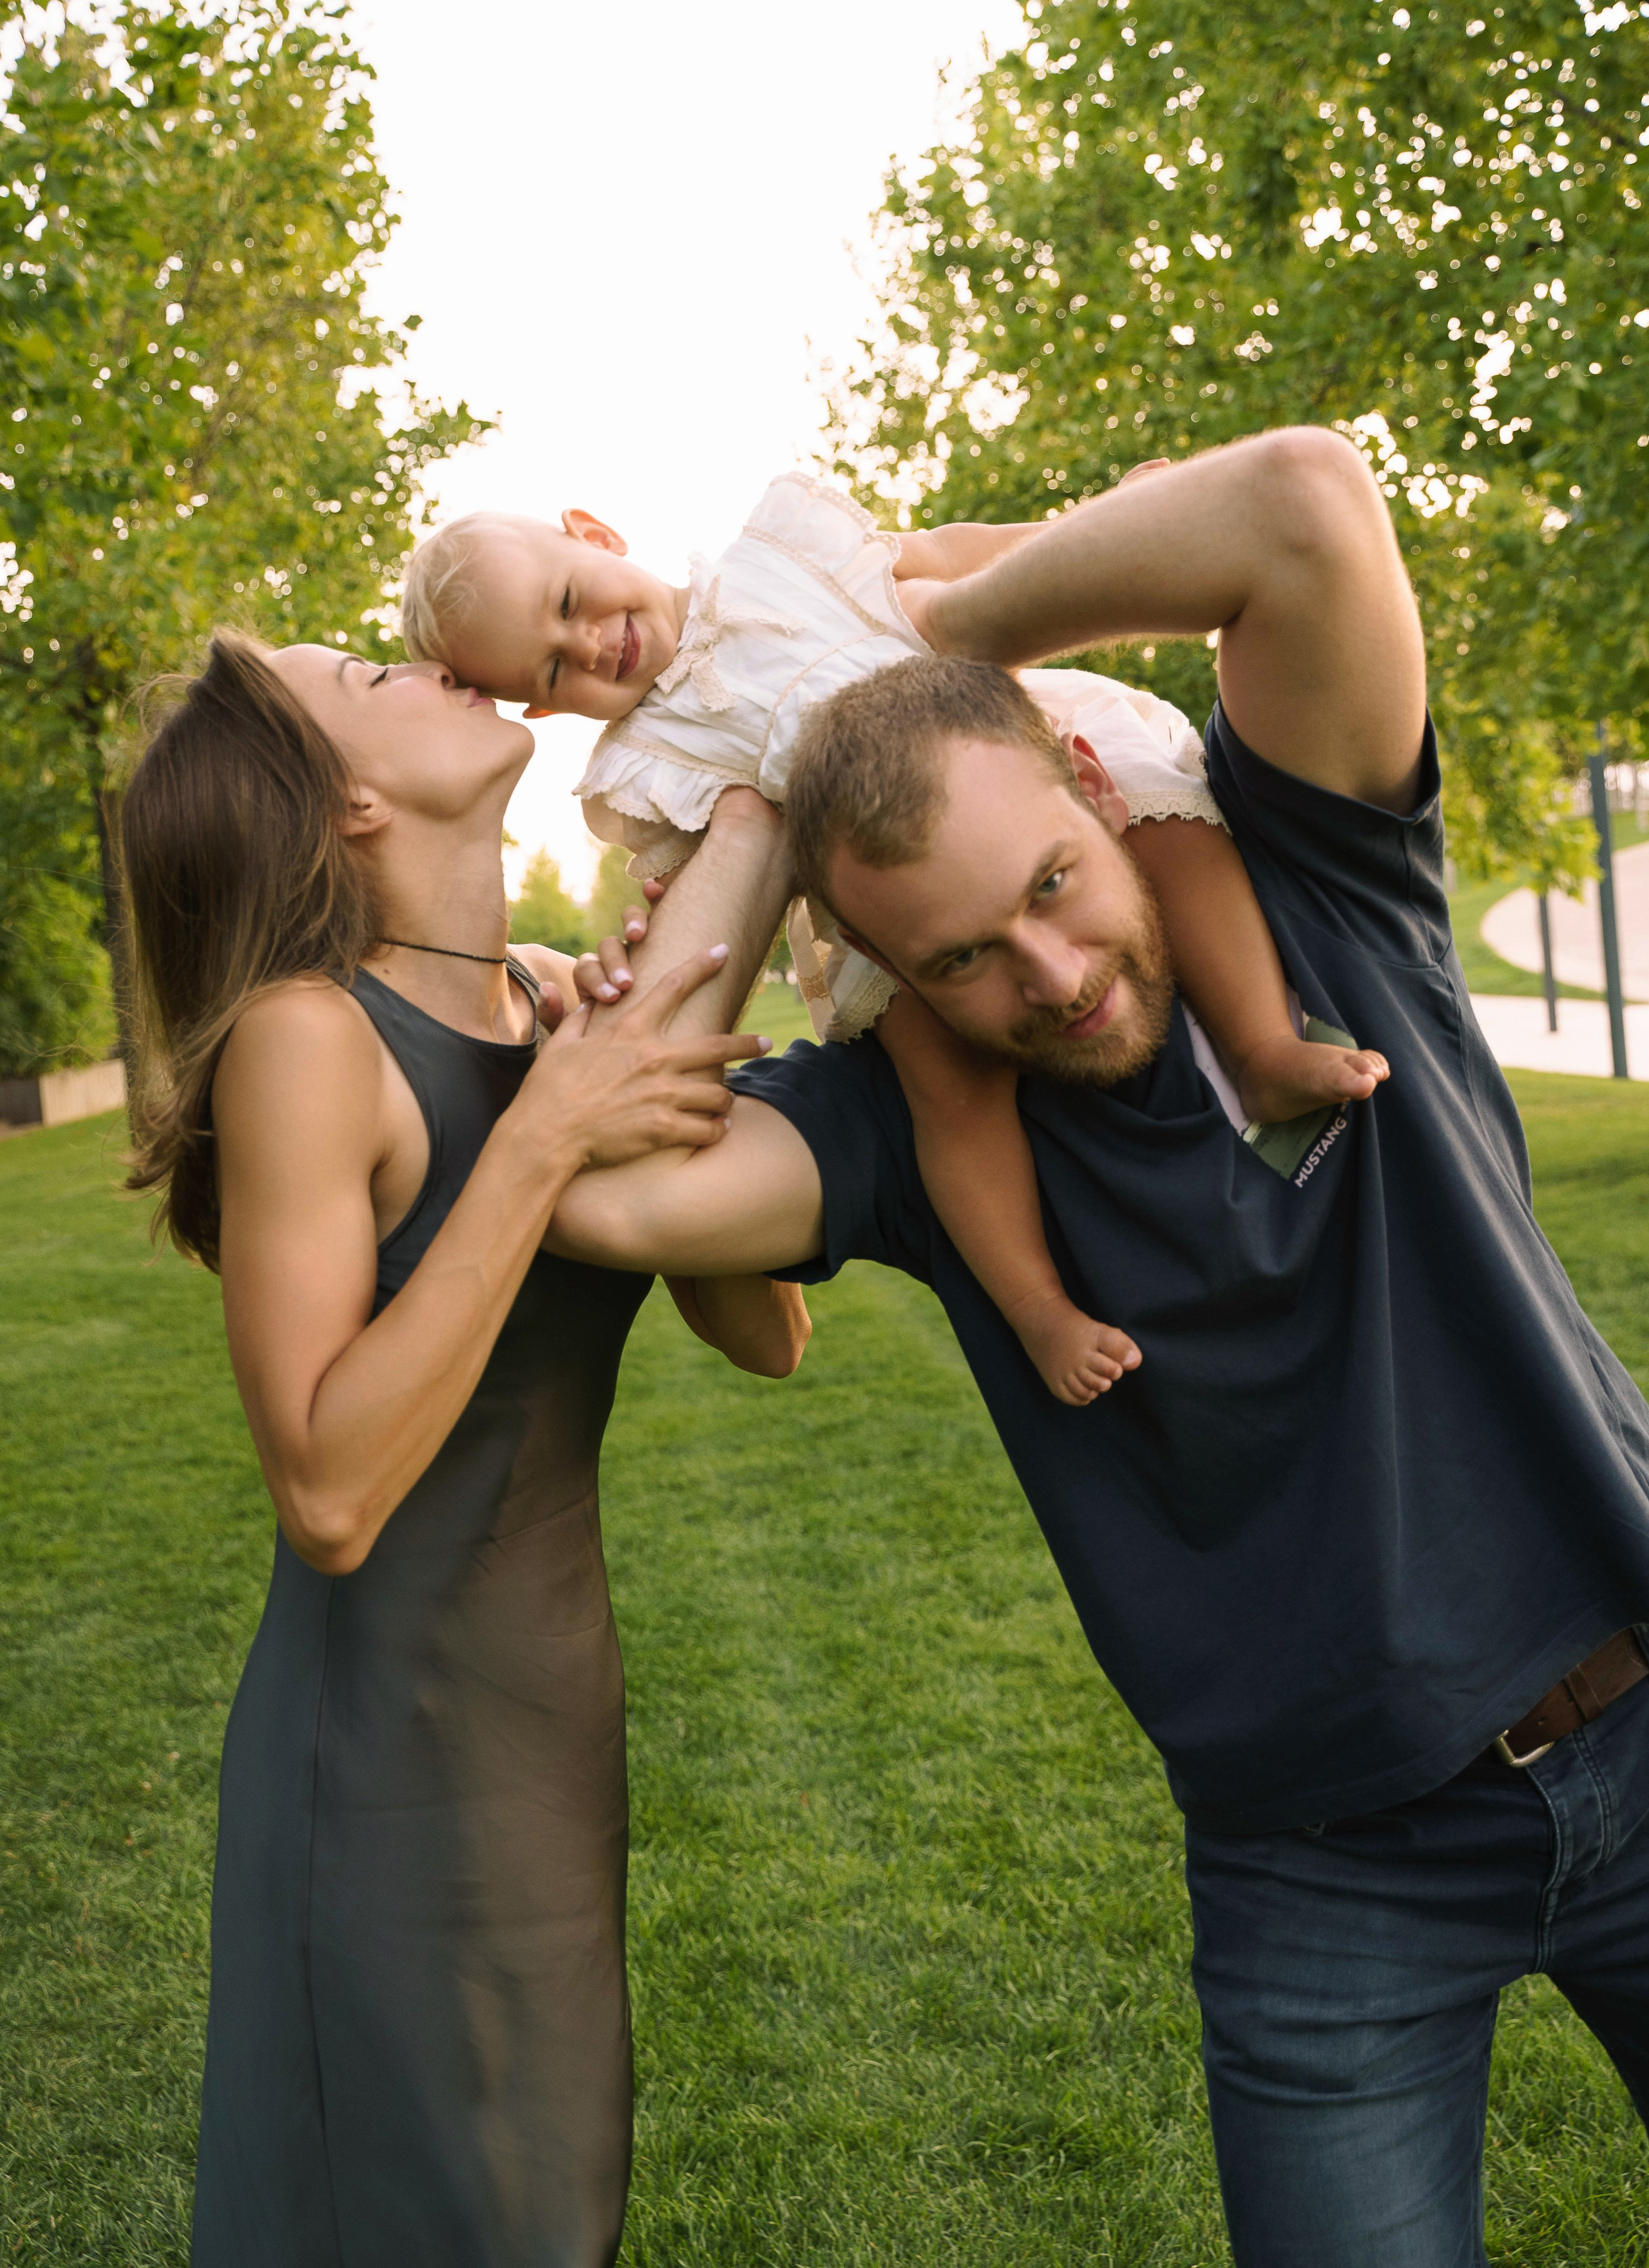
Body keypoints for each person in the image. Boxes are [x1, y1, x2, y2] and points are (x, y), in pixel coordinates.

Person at [544, 427, 1649, 2265]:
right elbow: (604, 1196)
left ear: (1090, 785)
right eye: (963, 959)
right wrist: (760, 800)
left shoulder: (1314, 884)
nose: (1048, 979)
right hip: (1328, 1884)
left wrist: (934, 636)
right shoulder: (904, 1126)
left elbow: (1302, 502)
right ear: (885, 976)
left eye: (1053, 886)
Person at [117, 628, 807, 2268]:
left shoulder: (542, 1010)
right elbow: (328, 1490)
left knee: (545, 2220)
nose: (426, 659)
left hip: (548, 1753)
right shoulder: (310, 1038)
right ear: (345, 798)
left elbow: (766, 1337)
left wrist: (638, 1080)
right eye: (365, 673)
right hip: (378, 1775)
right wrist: (548, 1135)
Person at [400, 473, 1385, 1405]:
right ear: (541, 708)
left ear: (596, 535)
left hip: (1019, 771)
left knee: (1167, 823)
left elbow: (958, 561)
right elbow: (705, 907)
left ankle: (1263, 1047)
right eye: (554, 667)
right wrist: (650, 942)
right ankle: (1038, 1311)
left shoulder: (777, 552)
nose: (591, 645)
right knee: (947, 1098)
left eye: (573, 599)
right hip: (887, 924)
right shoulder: (648, 769)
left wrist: (1088, 526)